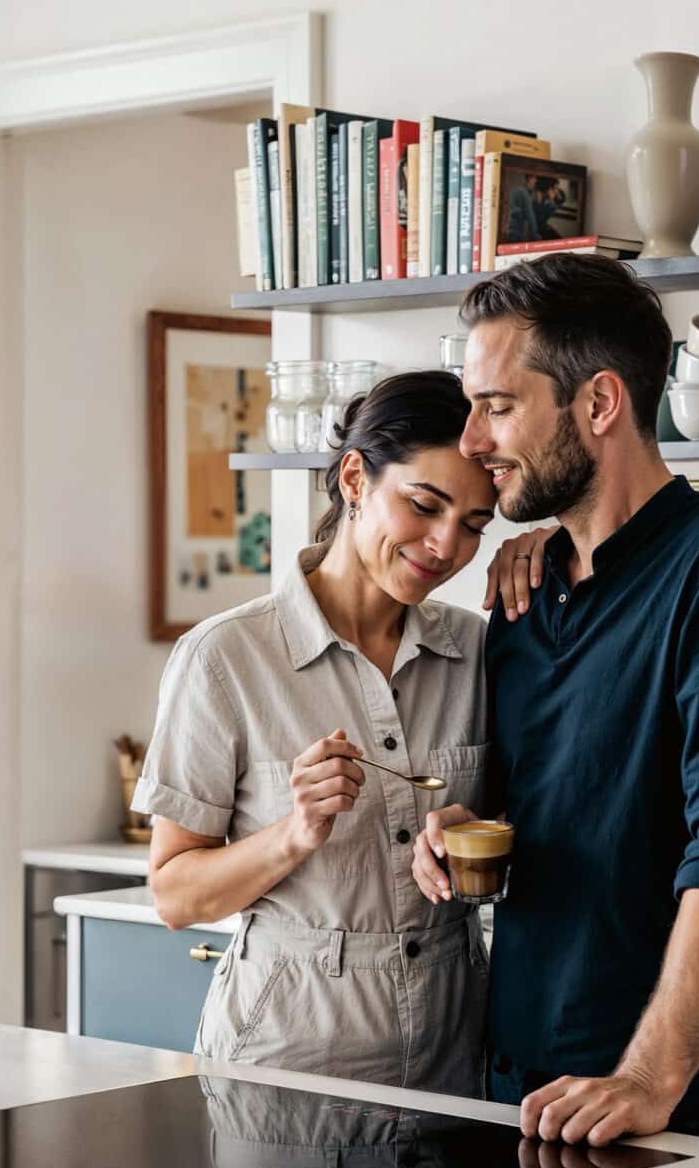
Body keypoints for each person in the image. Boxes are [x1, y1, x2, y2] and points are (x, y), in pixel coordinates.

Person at [412, 254, 699, 1148]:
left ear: (599, 405)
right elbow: (563, 808)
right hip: (520, 1081)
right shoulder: (525, 593)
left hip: (671, 1105)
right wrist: (465, 827)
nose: (474, 440)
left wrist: (647, 1077)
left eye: (501, 406)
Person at [135, 371, 499, 1096]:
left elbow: (527, 826)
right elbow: (175, 897)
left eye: (475, 526)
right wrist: (294, 833)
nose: (445, 545)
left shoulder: (479, 652)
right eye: (424, 505)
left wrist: (473, 829)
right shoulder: (227, 658)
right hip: (286, 1066)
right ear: (357, 477)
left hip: (458, 1062)